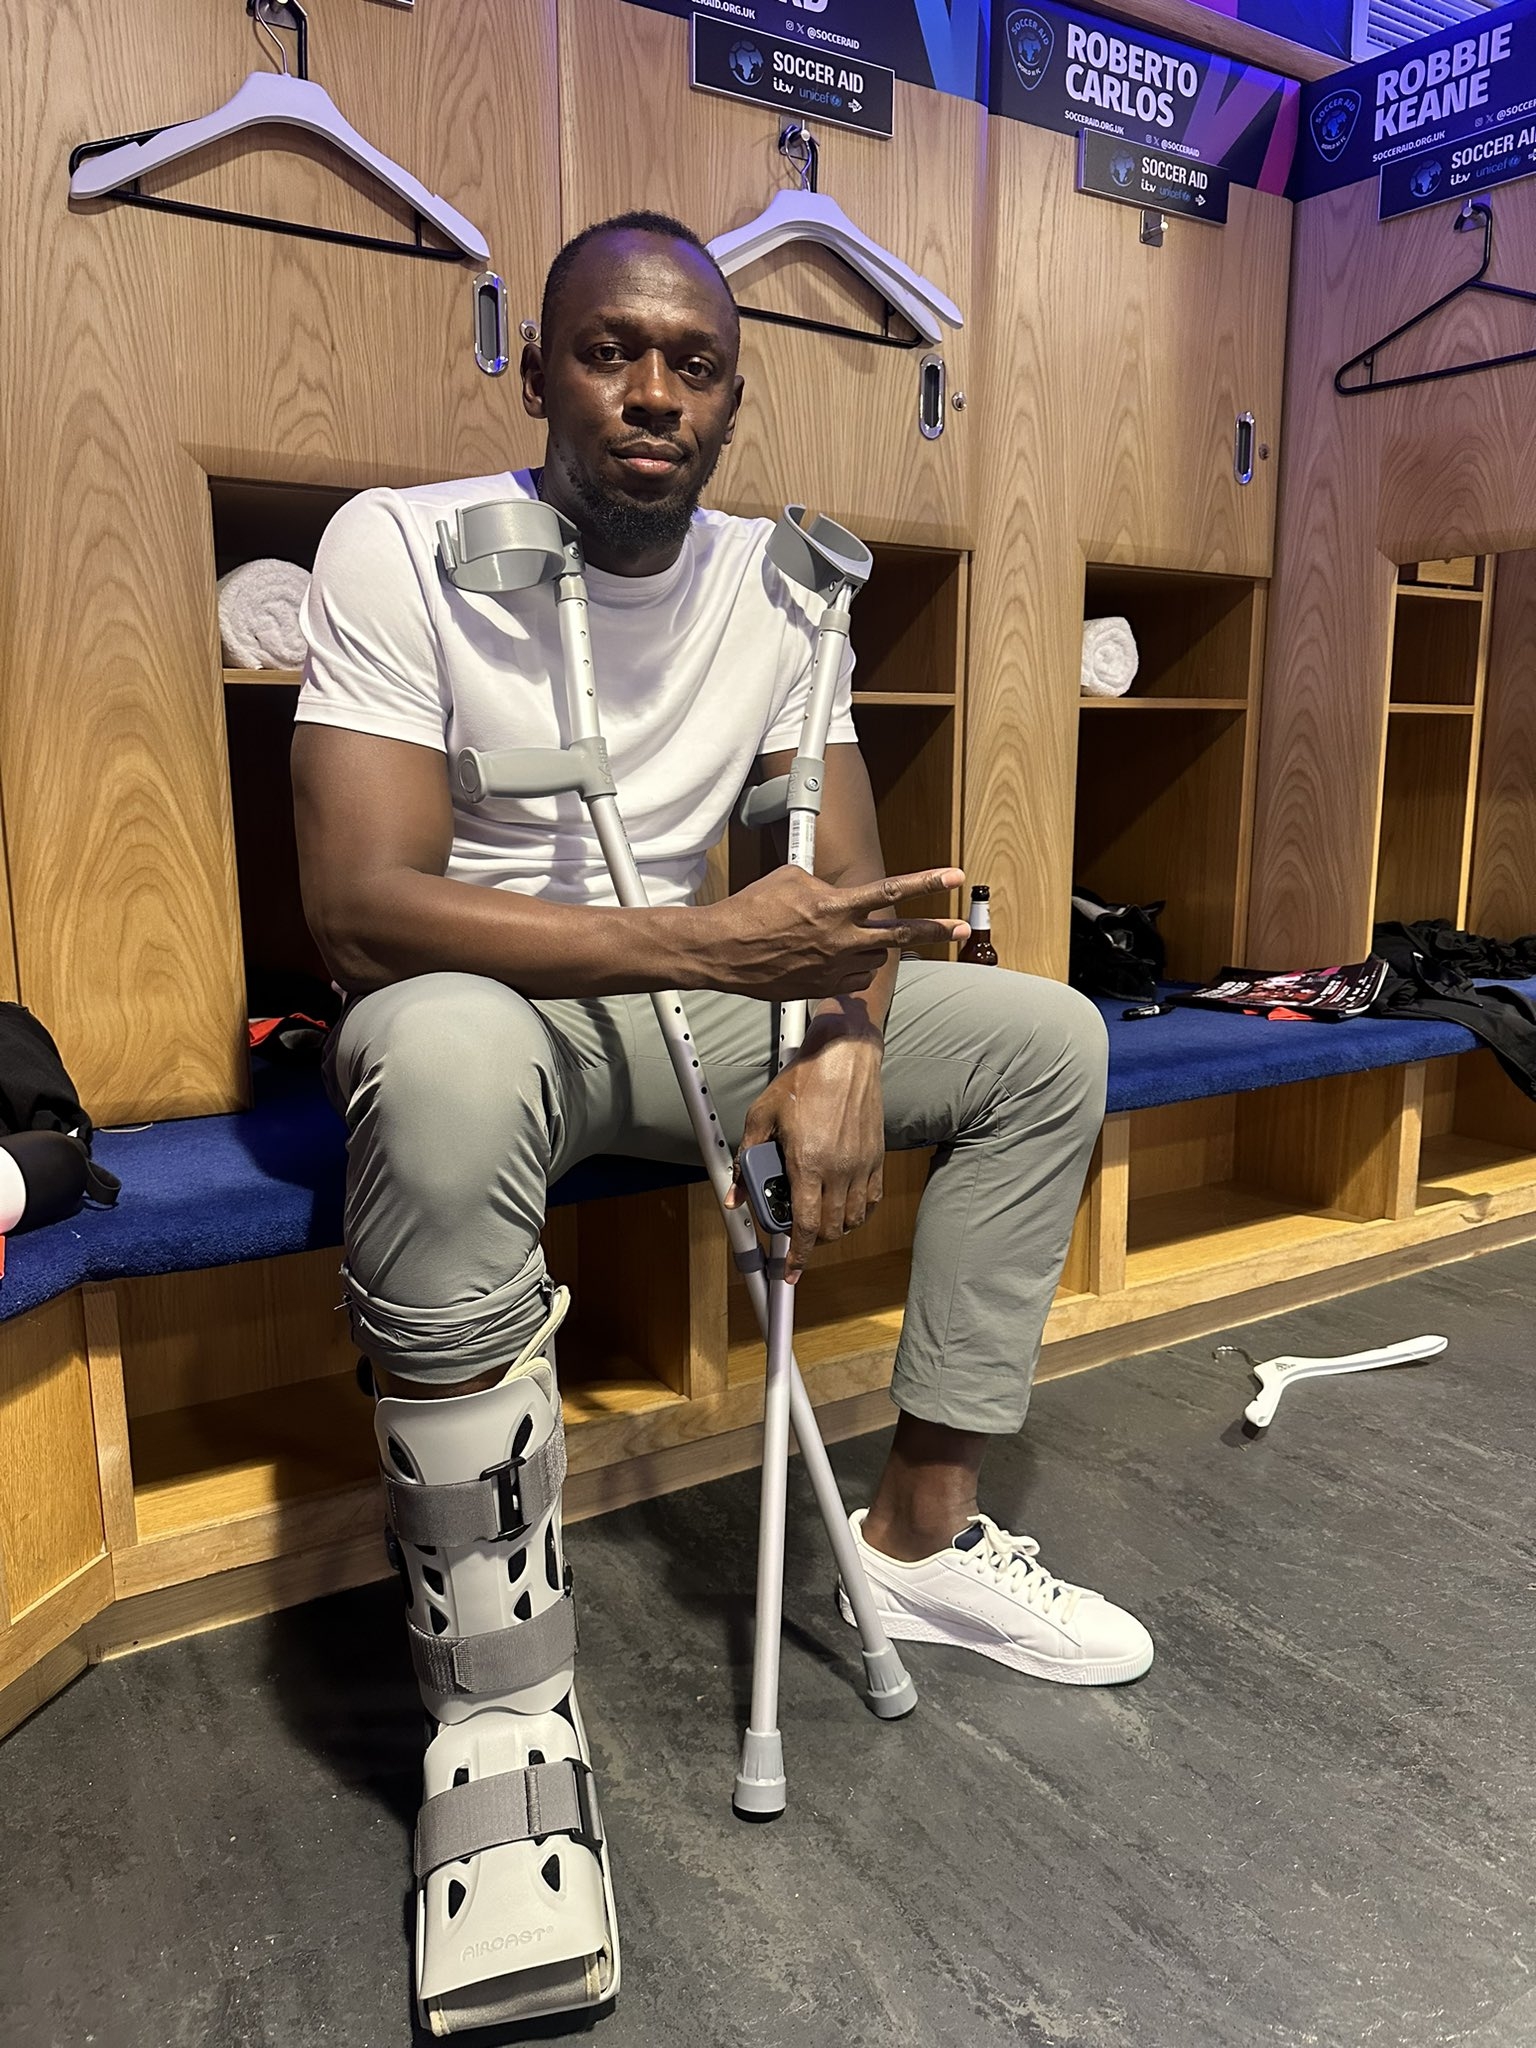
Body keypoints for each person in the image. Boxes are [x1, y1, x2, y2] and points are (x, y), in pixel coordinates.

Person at [292, 209, 1152, 2035]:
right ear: (537, 372)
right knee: (432, 1057)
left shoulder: (785, 586)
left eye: (695, 365)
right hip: (491, 1001)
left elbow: (843, 883)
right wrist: (712, 945)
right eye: (611, 352)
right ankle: (501, 1712)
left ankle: (917, 1546)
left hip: (701, 996)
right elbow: (362, 909)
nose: (653, 394)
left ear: (733, 402)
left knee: (1044, 1042)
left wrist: (841, 1040)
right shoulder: (398, 545)